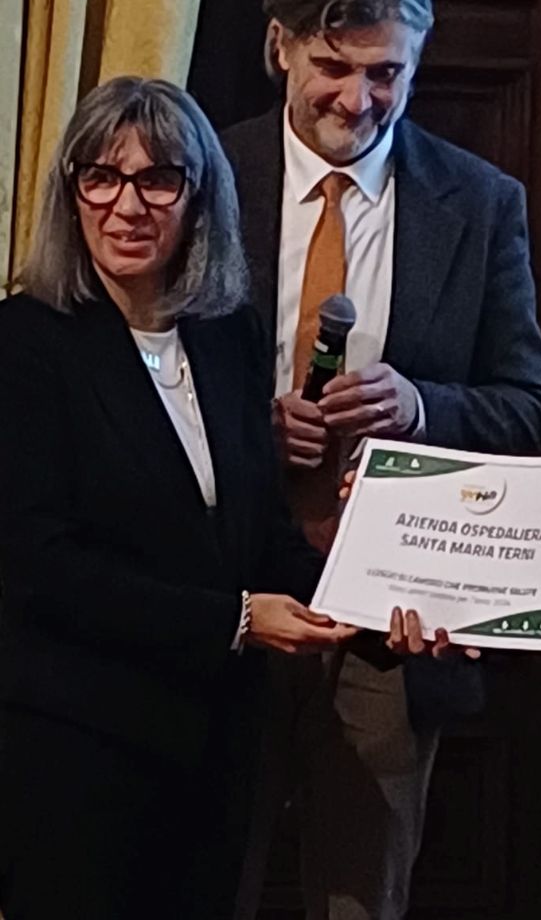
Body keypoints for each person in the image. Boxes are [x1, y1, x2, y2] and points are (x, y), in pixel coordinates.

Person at [222, 0, 541, 920]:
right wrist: (252, 425)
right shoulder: (198, 177)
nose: (356, 99)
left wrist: (423, 406)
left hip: (392, 621)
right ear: (280, 47)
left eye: (386, 73)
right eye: (333, 67)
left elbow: (532, 410)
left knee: (361, 897)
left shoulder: (484, 203)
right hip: (226, 592)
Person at [0, 76, 361, 919]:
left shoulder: (225, 337)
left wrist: (369, 584)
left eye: (159, 178)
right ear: (72, 194)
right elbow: (40, 566)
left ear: (199, 199)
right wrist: (233, 620)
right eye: (102, 176)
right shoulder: (23, 343)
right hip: (76, 757)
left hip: (215, 752)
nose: (128, 204)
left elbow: (254, 537)